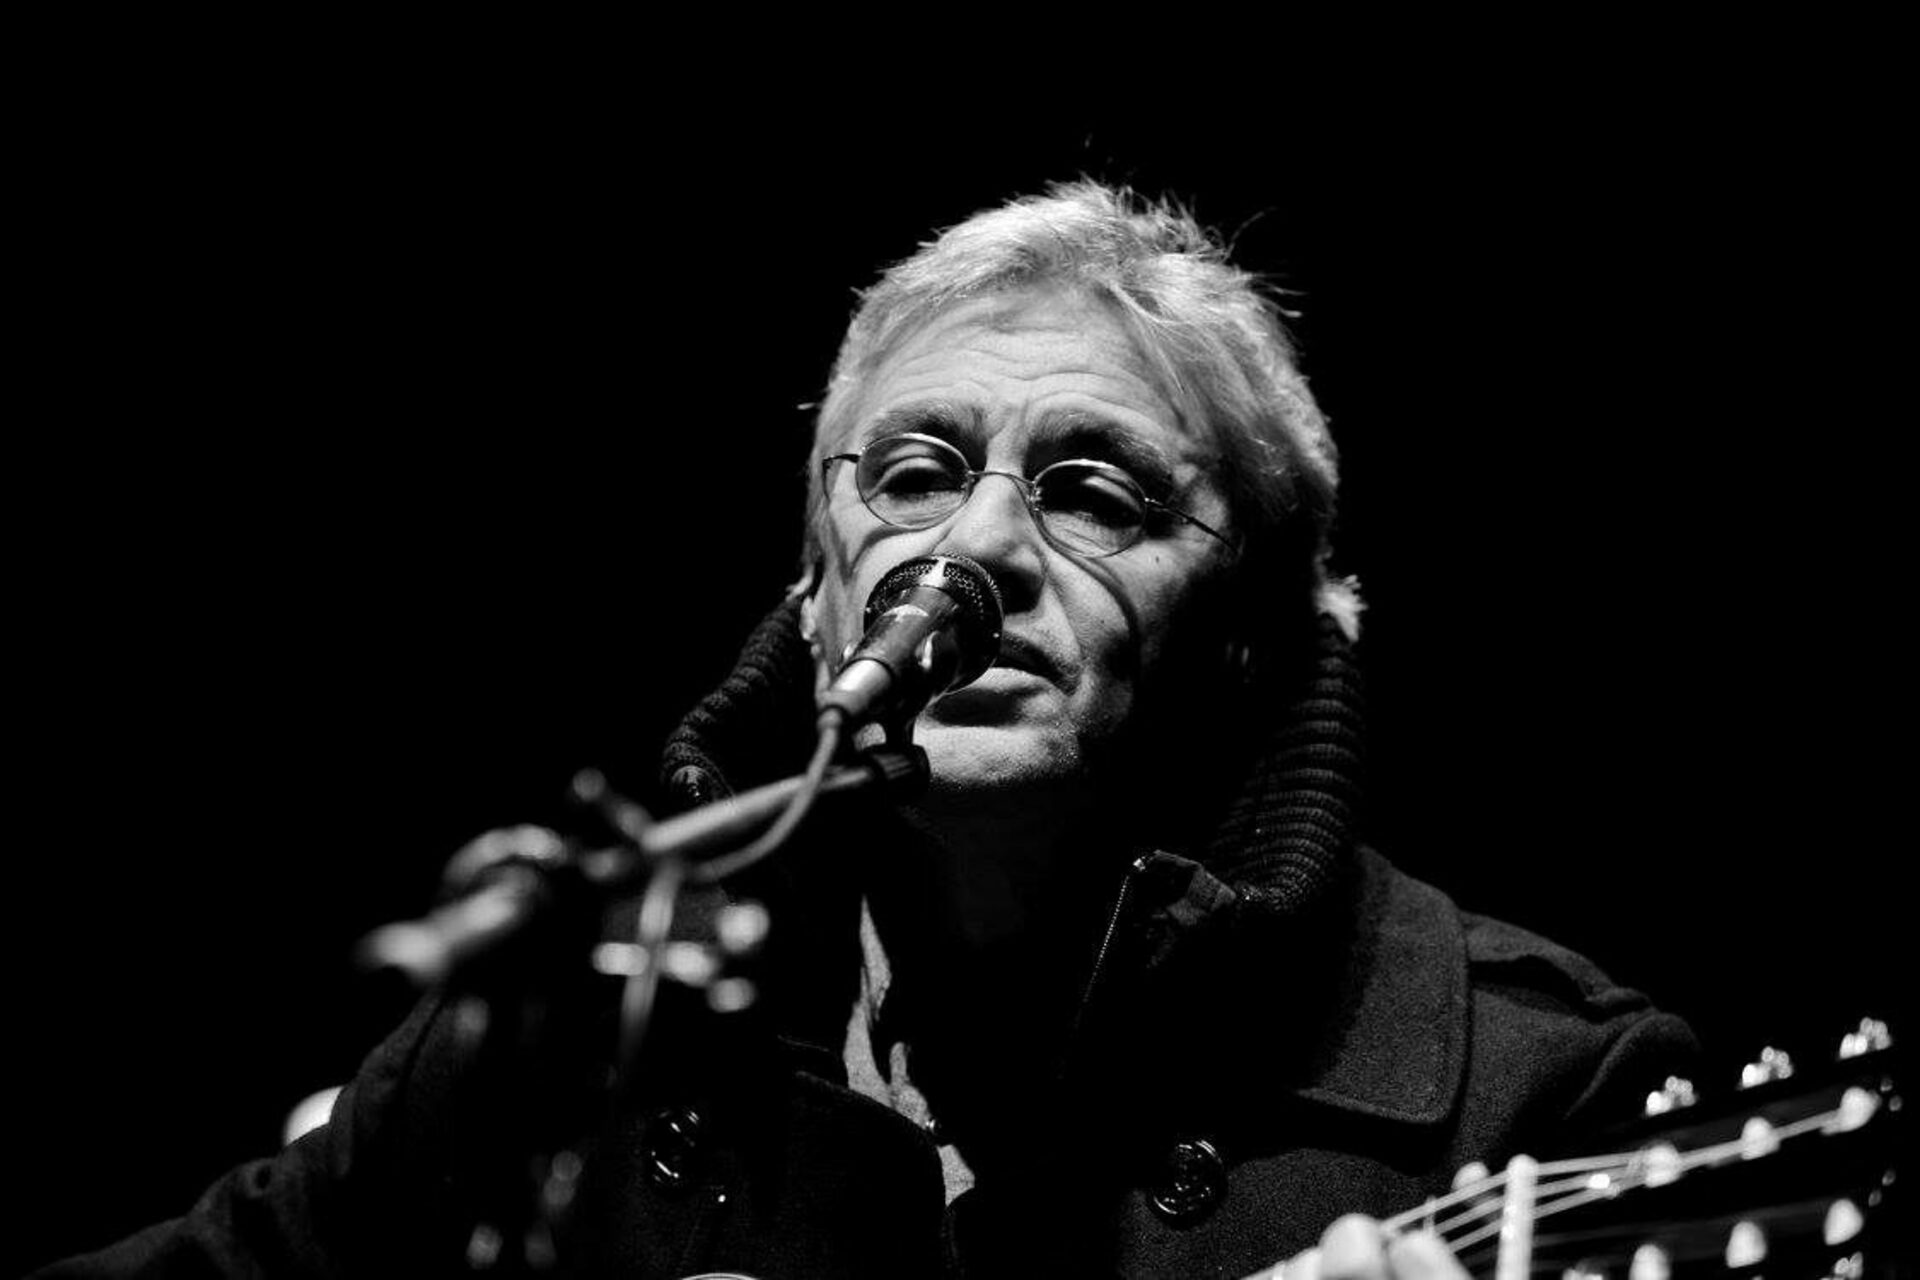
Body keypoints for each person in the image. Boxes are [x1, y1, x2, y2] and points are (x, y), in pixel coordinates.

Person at [38, 182, 1696, 1278]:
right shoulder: (578, 1031)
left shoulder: (1548, 1094)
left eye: (1091, 492)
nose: (972, 549)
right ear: (819, 595)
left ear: (1251, 637)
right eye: (912, 474)